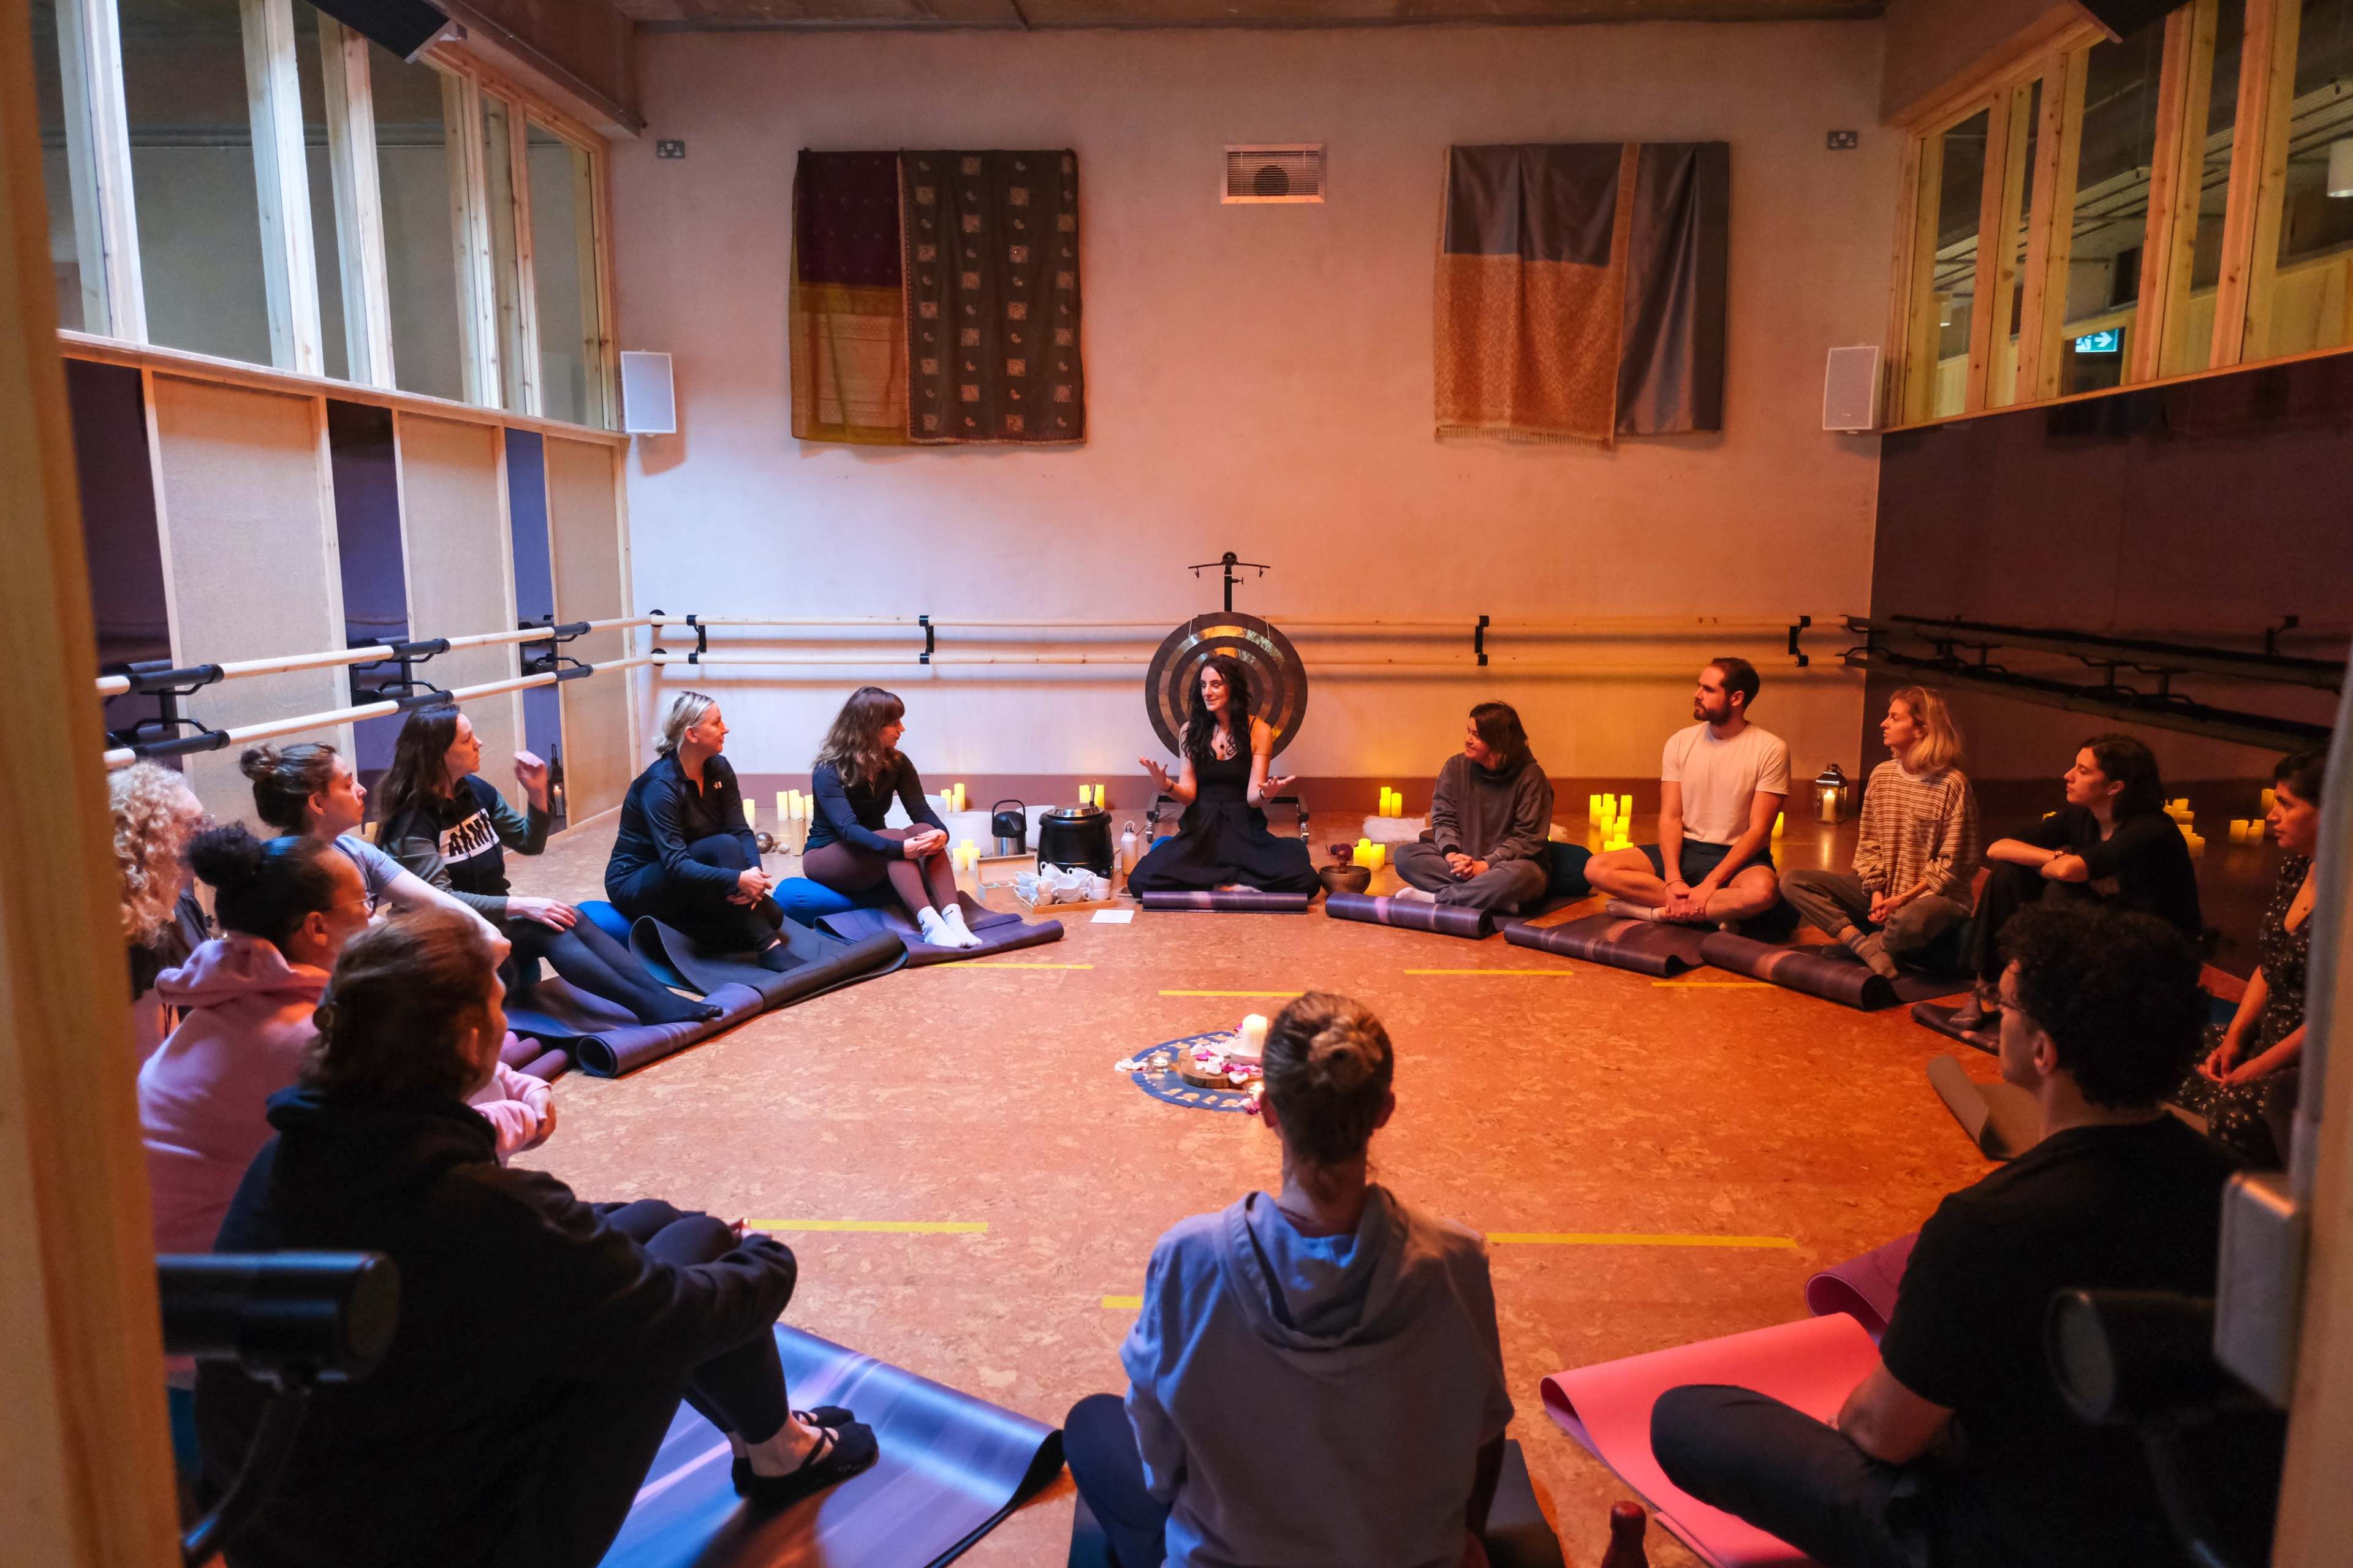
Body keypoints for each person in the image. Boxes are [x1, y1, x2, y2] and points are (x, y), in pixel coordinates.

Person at [197, 909, 874, 1568]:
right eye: (498, 1008)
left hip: (289, 1532)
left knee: (650, 1224)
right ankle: (780, 1452)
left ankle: (775, 1444)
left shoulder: (295, 1158)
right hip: (458, 1546)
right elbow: (672, 1314)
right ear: (469, 1043)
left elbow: (524, 1238)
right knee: (696, 1249)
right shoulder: (468, 1203)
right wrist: (765, 1257)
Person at [1651, 904, 2238, 1568]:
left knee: (1685, 1417)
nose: (1994, 1009)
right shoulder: (2236, 1185)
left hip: (2001, 1542)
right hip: (2176, 1526)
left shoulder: (1991, 1222)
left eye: (2006, 1003)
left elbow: (1881, 1435)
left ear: (2043, 1051)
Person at [1064, 991, 1512, 1568]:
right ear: (1384, 1110)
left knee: (1093, 1426)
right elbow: (1482, 1432)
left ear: (1268, 1107)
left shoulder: (1189, 1257)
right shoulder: (1457, 1259)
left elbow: (1159, 1463)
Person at [378, 706, 718, 1025]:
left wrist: (537, 795)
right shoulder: (410, 823)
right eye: (467, 740)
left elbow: (530, 842)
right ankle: (651, 1007)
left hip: (491, 922)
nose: (479, 742)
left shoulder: (474, 791)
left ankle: (661, 999)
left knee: (573, 916)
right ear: (439, 755)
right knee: (550, 930)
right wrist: (521, 907)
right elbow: (440, 901)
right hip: (445, 937)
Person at [1950, 733, 2201, 1034]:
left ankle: (2039, 1001)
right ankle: (1987, 988)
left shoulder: (2151, 829)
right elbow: (1998, 848)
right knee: (2007, 873)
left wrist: (2065, 869)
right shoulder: (2083, 816)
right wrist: (2053, 860)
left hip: (2155, 942)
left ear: (2114, 787)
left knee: (2063, 890)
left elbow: (2070, 871)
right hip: (2109, 920)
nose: (2067, 776)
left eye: (2083, 771)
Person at [2176, 748, 2324, 1167]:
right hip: (2268, 1034)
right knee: (2163, 1046)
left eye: (2287, 804)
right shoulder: (2298, 867)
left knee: (2233, 1112)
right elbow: (2270, 964)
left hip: (2312, 1060)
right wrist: (2236, 1038)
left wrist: (2257, 1066)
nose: (2272, 815)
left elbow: (2335, 1020)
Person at [1782, 687, 1979, 977]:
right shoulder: (1882, 775)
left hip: (1932, 898)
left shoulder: (1952, 783)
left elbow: (1956, 864)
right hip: (1885, 893)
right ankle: (1864, 947)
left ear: (1922, 728)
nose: (1883, 724)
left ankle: (1877, 944)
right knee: (1793, 882)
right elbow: (1870, 844)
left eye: (1894, 718)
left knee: (1910, 919)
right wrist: (1877, 893)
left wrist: (1901, 900)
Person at [606, 691, 804, 967]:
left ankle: (695, 937)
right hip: (639, 878)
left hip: (690, 871)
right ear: (692, 734)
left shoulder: (718, 768)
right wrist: (736, 879)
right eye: (717, 723)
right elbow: (675, 863)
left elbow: (741, 829)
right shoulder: (660, 786)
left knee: (773, 916)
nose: (726, 729)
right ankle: (769, 949)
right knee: (723, 845)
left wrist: (753, 875)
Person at [1584, 658, 1788, 926]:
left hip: (1738, 856)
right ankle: (1711, 913)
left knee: (1762, 893)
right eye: (1698, 687)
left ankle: (1653, 912)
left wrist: (1711, 883)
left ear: (1737, 698)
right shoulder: (1680, 742)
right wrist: (1673, 879)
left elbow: (1759, 830)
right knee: (1596, 868)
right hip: (1686, 849)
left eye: (1708, 689)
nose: (1697, 695)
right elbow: (1670, 817)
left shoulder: (1771, 749)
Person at [239, 741, 501, 933]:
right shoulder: (290, 872)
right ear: (318, 803)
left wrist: (487, 931)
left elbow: (432, 897)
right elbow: (367, 935)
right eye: (348, 784)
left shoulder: (349, 848)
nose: (362, 790)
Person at [801, 686, 979, 949]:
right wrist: (898, 848)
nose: (902, 729)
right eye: (894, 723)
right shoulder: (828, 770)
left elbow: (920, 809)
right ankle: (929, 924)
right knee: (895, 837)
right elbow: (848, 829)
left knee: (923, 829)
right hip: (829, 854)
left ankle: (954, 919)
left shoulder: (897, 763)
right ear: (871, 727)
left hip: (875, 851)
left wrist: (942, 833)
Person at [1127, 656, 1318, 896]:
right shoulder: (1190, 730)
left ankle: (1217, 877)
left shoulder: (1259, 730)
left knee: (1308, 882)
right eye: (1203, 685)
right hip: (1201, 830)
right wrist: (1166, 784)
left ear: (1233, 688)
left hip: (1244, 829)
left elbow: (1252, 798)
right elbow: (1189, 795)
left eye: (1216, 685)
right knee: (1140, 881)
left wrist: (1264, 793)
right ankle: (1231, 879)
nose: (1207, 692)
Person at [1392, 702, 1556, 914]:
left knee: (1526, 877)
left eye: (1477, 735)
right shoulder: (1455, 767)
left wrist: (1486, 865)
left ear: (1499, 742)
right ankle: (1489, 898)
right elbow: (1443, 819)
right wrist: (1452, 854)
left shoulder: (1532, 777)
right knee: (1405, 856)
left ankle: (1438, 899)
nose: (1468, 740)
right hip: (1462, 862)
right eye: (1469, 732)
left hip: (1505, 866)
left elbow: (1527, 839)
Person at [112, 760, 213, 1063]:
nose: (209, 834)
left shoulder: (183, 903)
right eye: (194, 825)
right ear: (149, 836)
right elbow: (153, 1058)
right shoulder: (136, 933)